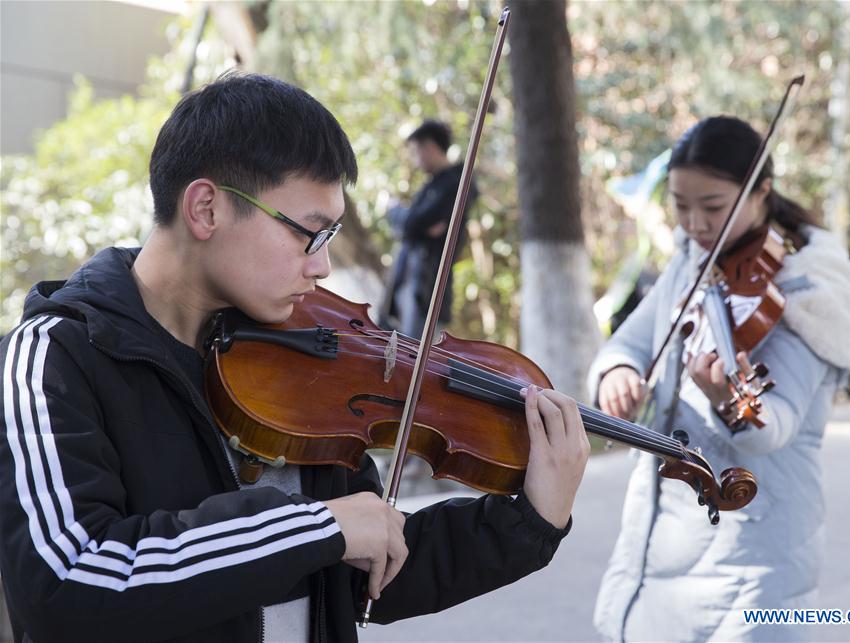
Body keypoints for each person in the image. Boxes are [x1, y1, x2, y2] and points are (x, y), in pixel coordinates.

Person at [0, 73, 590, 643]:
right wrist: (318, 526)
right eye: (308, 232)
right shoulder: (54, 357)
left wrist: (529, 521)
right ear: (205, 208)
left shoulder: (299, 357)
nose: (322, 266)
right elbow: (68, 586)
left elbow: (364, 573)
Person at [589, 116, 850, 642]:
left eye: (713, 207)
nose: (694, 223)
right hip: (661, 544)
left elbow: (771, 427)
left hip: (755, 559)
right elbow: (631, 341)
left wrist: (722, 397)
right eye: (681, 205)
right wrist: (616, 370)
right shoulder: (692, 262)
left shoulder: (806, 297)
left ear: (761, 193)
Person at [378, 119, 477, 338]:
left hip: (427, 288)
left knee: (416, 357)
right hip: (407, 282)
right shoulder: (431, 186)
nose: (414, 161)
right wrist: (414, 224)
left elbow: (413, 223)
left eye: (415, 153)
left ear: (430, 148)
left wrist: (394, 210)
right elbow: (416, 225)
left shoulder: (455, 184)